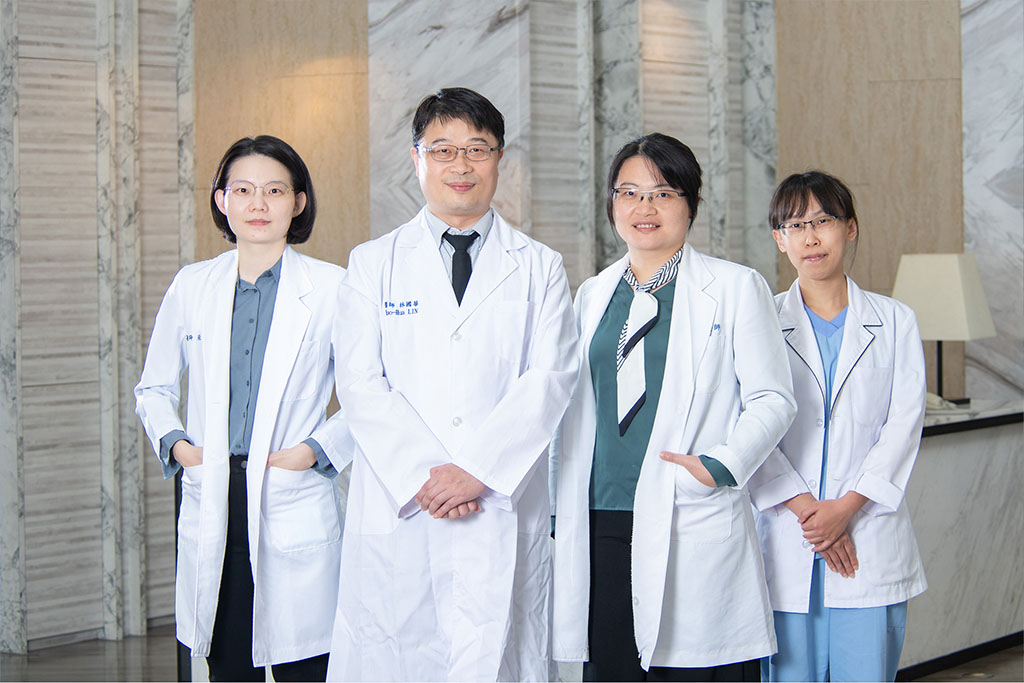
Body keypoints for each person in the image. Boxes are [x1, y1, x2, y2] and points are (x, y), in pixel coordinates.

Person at [325, 87, 578, 682]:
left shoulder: (539, 266)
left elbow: (551, 378)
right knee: (398, 652)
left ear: (499, 159)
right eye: (443, 149)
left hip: (498, 497)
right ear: (417, 158)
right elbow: (359, 383)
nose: (460, 165)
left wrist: (477, 471)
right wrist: (430, 477)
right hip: (405, 501)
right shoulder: (373, 263)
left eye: (477, 149)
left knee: (499, 655)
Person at [552, 133, 796, 681]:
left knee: (691, 668)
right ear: (612, 203)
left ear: (692, 203)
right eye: (630, 193)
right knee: (613, 668)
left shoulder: (735, 287)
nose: (645, 207)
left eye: (663, 193)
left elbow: (773, 398)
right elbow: (567, 408)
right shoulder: (592, 294)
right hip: (600, 515)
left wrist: (719, 466)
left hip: (688, 506)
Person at [135, 135, 352, 681]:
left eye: (274, 191)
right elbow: (153, 388)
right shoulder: (192, 285)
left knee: (306, 660)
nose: (258, 204)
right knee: (226, 658)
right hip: (214, 488)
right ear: (221, 200)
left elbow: (370, 394)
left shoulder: (334, 287)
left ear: (298, 202)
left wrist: (314, 451)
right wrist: (179, 447)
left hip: (288, 486)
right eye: (243, 190)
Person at [748, 171, 927, 682]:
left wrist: (845, 509)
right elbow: (750, 425)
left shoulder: (895, 321)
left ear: (849, 228)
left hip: (867, 533)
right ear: (779, 239)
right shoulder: (759, 323)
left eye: (823, 221)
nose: (810, 237)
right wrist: (812, 514)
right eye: (795, 225)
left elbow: (903, 424)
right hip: (790, 536)